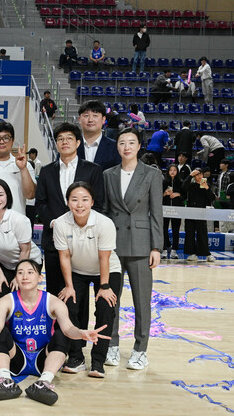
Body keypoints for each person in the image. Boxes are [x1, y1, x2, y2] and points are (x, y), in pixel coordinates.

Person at [0, 259, 110, 406]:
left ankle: (43, 383)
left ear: (40, 278)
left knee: (62, 335)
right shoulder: (6, 301)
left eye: (30, 272)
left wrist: (81, 333)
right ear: (15, 278)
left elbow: (68, 328)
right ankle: (6, 381)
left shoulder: (53, 301)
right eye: (20, 273)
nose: (25, 276)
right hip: (16, 357)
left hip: (43, 358)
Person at [103, 128, 162, 370]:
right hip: (114, 245)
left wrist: (156, 247)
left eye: (131, 142)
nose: (126, 147)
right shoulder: (108, 174)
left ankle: (140, 350)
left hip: (141, 244)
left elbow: (156, 213)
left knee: (142, 301)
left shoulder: (152, 174)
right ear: (117, 146)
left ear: (139, 146)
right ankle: (111, 345)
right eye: (122, 142)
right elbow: (105, 212)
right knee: (111, 300)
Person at [54, 181, 122, 379]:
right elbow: (64, 257)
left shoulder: (104, 223)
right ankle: (76, 358)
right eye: (74, 200)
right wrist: (69, 286)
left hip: (107, 270)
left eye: (84, 199)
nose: (79, 204)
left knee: (105, 308)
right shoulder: (61, 223)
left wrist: (105, 286)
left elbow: (104, 258)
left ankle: (98, 360)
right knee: (69, 304)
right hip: (77, 270)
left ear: (92, 202)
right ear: (68, 202)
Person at [35, 122, 105, 296]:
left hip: (84, 241)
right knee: (54, 292)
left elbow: (98, 204)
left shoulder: (93, 170)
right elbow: (41, 203)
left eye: (69, 138)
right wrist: (54, 223)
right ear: (56, 143)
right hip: (53, 240)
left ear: (78, 142)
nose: (64, 142)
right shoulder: (46, 171)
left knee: (79, 295)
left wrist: (80, 225)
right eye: (60, 139)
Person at [0, 179, 42, 297]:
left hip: (28, 262)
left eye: (1, 195)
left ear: (7, 196)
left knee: (19, 294)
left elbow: (25, 250)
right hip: (4, 264)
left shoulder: (19, 220)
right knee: (1, 295)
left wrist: (18, 276)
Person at [76, 100, 121, 170]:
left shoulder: (115, 147)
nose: (90, 120)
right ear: (79, 120)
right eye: (86, 116)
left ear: (103, 119)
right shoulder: (70, 146)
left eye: (95, 116)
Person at [182, 168, 215, 262]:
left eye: (200, 174)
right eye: (196, 175)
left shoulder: (206, 185)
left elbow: (212, 198)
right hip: (190, 212)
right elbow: (183, 187)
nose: (199, 176)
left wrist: (207, 189)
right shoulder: (191, 185)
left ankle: (207, 254)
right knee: (190, 232)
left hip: (201, 212)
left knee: (202, 233)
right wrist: (190, 175)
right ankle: (191, 253)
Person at [162, 164, 184, 260]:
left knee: (176, 230)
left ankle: (174, 250)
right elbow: (157, 195)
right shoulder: (164, 182)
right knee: (164, 229)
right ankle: (164, 249)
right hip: (165, 208)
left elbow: (185, 196)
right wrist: (164, 194)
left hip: (177, 209)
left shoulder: (180, 182)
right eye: (171, 170)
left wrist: (178, 194)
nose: (172, 172)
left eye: (174, 170)